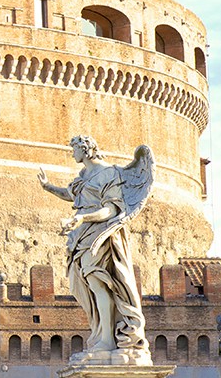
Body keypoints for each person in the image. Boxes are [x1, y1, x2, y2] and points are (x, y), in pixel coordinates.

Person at [37, 136, 154, 363]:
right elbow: (70, 194)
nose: (72, 154)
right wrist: (48, 187)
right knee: (89, 286)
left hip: (101, 234)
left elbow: (111, 210)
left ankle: (107, 340)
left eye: (74, 150)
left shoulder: (109, 173)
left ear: (85, 149)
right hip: (83, 234)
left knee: (101, 284)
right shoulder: (83, 176)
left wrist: (83, 218)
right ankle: (101, 333)